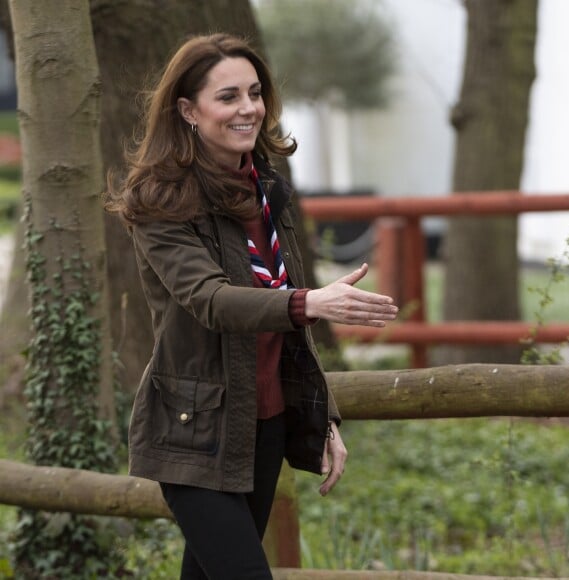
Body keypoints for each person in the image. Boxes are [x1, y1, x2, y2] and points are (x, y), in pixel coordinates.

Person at [106, 33, 398, 580]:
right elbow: (211, 300)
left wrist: (322, 414)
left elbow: (285, 322)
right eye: (229, 97)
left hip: (262, 423)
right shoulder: (160, 200)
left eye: (255, 93)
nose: (248, 109)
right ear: (188, 111)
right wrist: (310, 302)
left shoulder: (268, 190)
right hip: (194, 432)